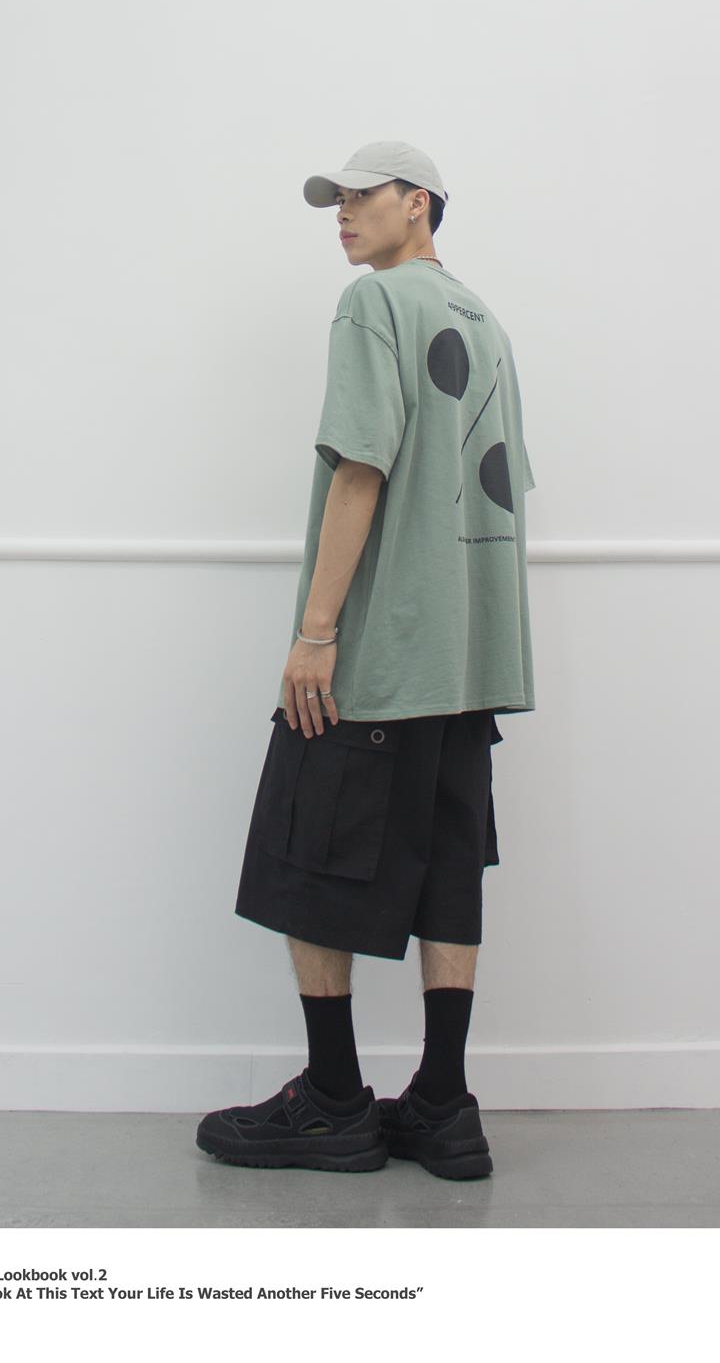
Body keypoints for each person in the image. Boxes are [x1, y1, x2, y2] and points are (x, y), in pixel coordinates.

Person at [197, 141, 536, 1181]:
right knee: (447, 863)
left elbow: (361, 466)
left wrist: (317, 632)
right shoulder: (485, 320)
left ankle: (336, 1103)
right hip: (466, 659)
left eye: (361, 196)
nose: (342, 214)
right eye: (334, 201)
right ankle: (443, 1103)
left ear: (418, 203)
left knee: (305, 849)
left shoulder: (374, 304)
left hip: (385, 651)